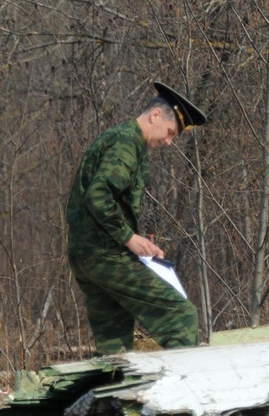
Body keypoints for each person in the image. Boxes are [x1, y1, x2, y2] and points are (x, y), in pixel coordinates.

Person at [65, 81, 207, 354]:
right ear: (155, 115)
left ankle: (114, 395)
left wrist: (140, 243)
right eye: (169, 132)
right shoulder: (127, 142)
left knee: (114, 347)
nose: (168, 141)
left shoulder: (117, 138)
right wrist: (129, 238)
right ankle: (181, 391)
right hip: (106, 255)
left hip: (86, 258)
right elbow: (99, 195)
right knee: (181, 317)